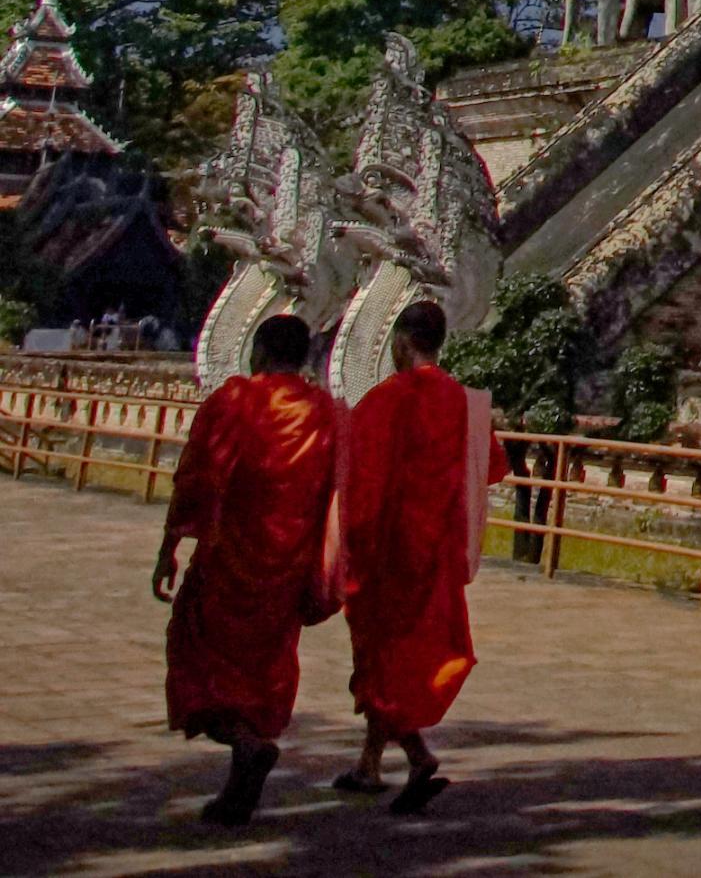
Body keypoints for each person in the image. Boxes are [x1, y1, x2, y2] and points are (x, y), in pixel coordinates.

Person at [151, 310, 343, 827]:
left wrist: (169, 547)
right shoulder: (325, 413)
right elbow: (338, 494)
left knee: (196, 662)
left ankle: (245, 744)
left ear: (257, 352)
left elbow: (196, 478)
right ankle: (242, 772)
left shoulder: (234, 401)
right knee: (260, 675)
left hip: (227, 561)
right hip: (286, 569)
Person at [332, 298, 507, 816]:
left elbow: (356, 478)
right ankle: (369, 763)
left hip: (388, 555)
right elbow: (492, 468)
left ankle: (416, 755)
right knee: (401, 661)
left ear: (402, 343)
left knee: (382, 661)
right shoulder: (466, 405)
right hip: (437, 558)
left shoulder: (386, 401)